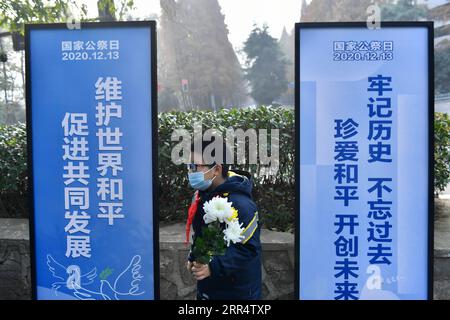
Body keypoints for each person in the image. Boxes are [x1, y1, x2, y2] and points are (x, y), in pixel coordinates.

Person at [185, 140, 262, 300]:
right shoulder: (201, 194)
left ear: (217, 169)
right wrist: (194, 256)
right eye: (188, 166)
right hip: (209, 288)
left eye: (195, 167)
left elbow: (248, 249)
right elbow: (201, 233)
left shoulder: (242, 204)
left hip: (236, 293)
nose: (190, 172)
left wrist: (213, 267)